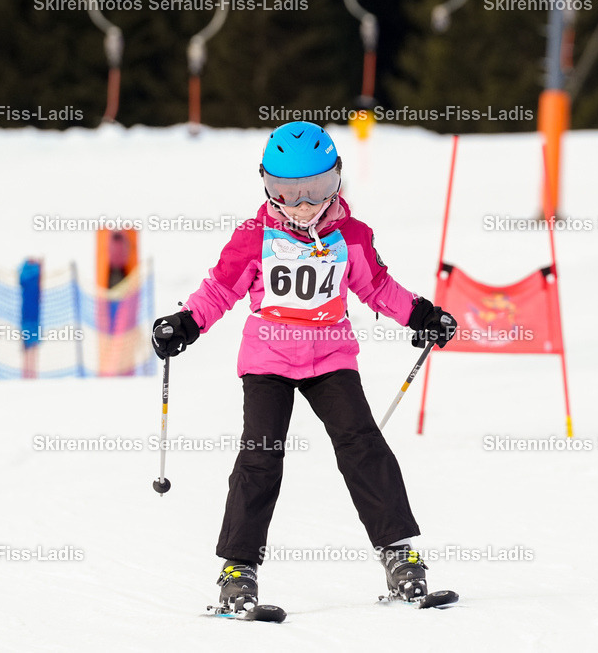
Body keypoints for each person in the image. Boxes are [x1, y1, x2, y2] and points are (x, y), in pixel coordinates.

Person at [151, 121, 457, 612]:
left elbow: (377, 287)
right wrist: (186, 323)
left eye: (315, 190)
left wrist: (422, 314)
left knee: (363, 445)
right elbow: (220, 289)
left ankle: (399, 555)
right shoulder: (254, 236)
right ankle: (238, 570)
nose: (301, 205)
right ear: (266, 186)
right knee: (261, 456)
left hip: (331, 357)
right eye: (285, 193)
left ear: (336, 180)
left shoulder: (351, 236)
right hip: (268, 359)